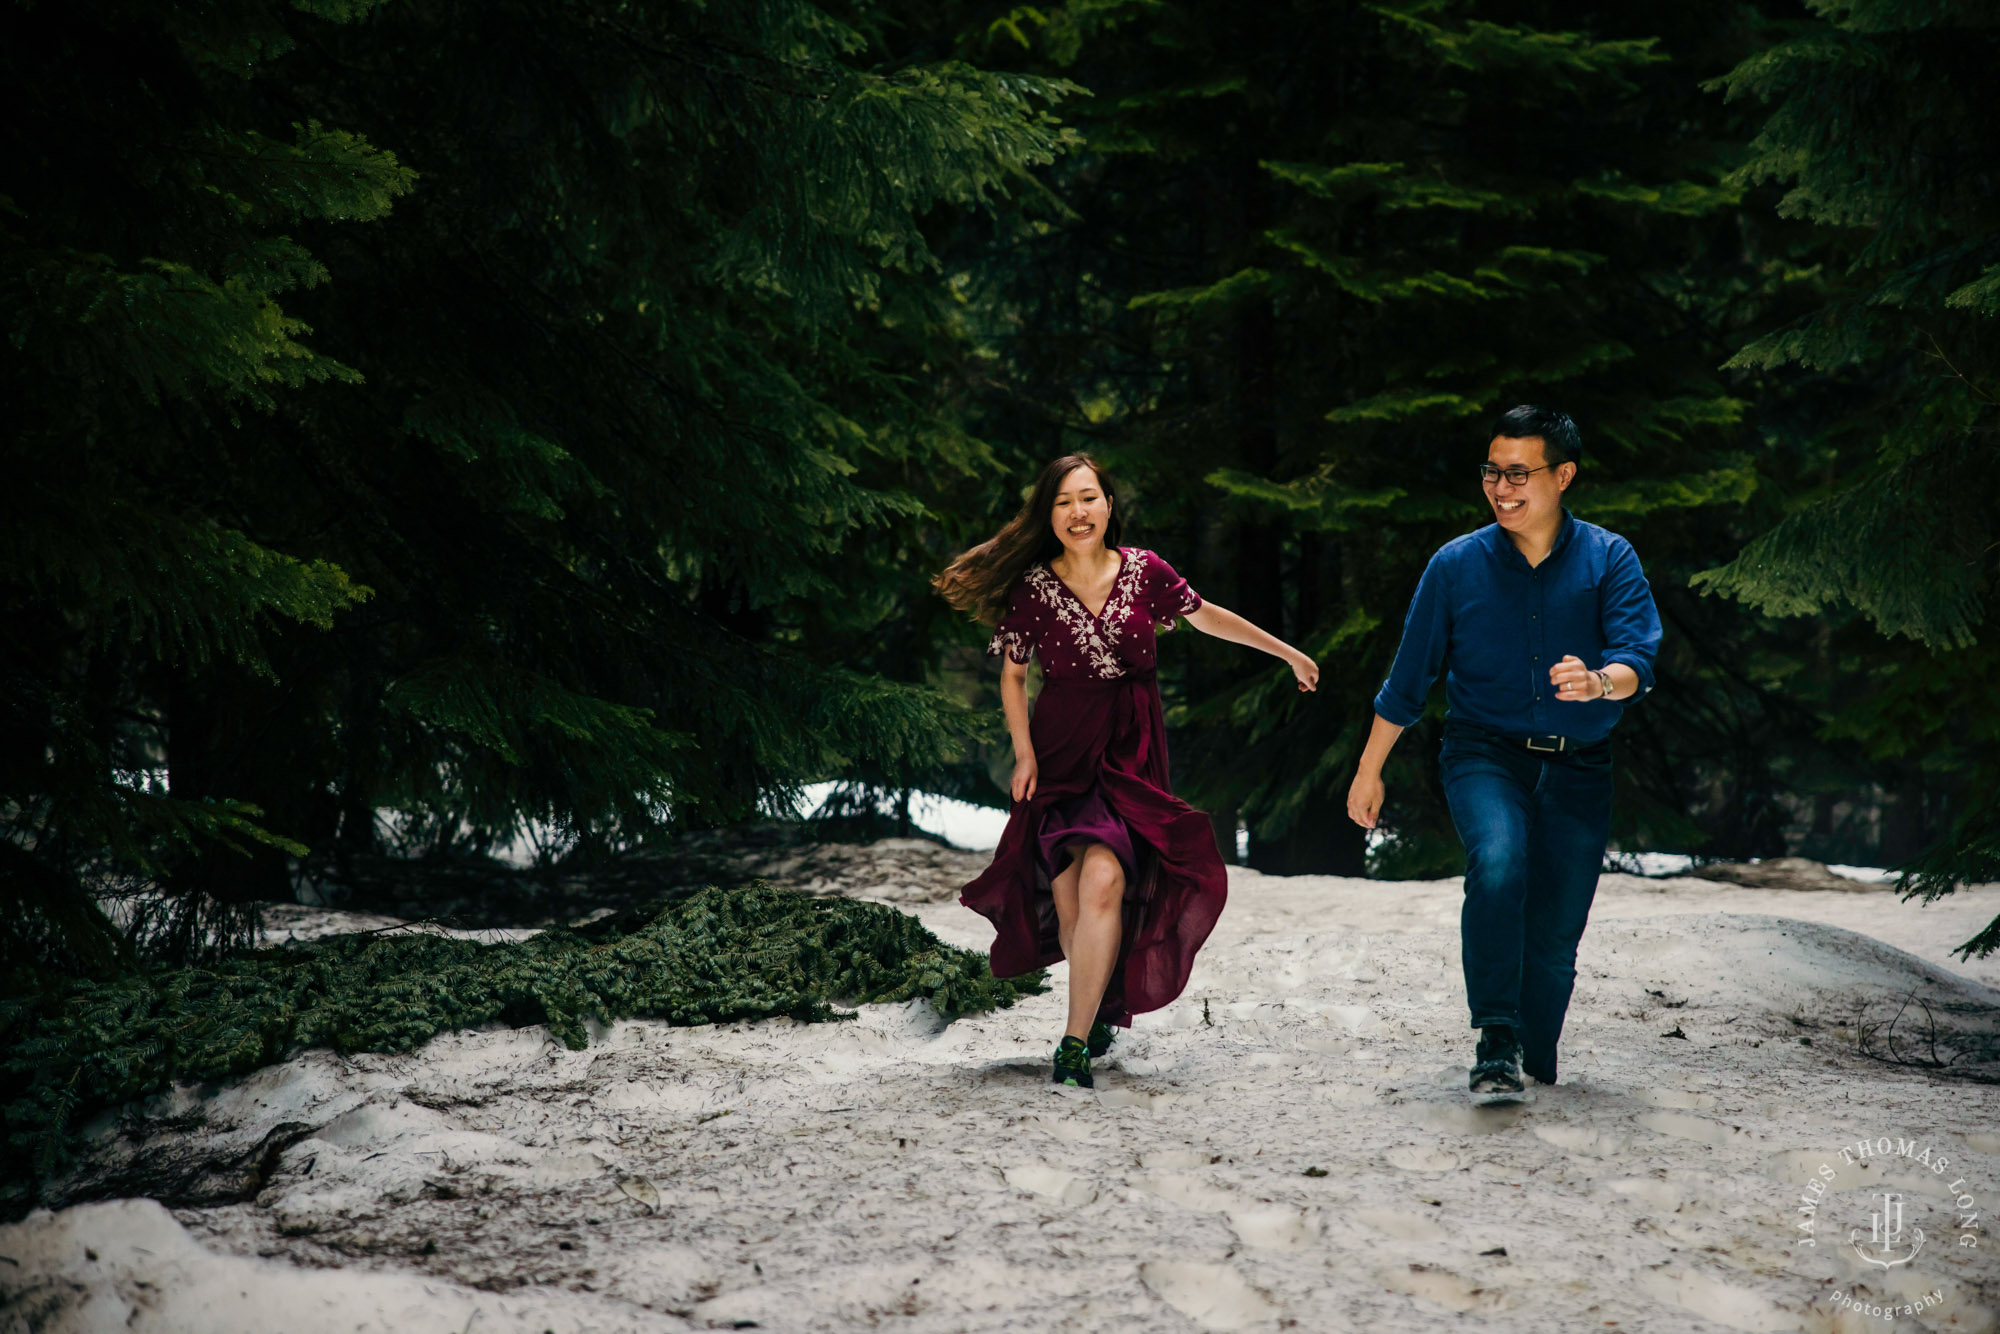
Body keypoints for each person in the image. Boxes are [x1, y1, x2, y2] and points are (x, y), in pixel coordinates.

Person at [936, 454, 1319, 1089]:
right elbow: (1012, 672)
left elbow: (1207, 615)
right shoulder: (1031, 588)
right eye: (1063, 502)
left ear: (1109, 505)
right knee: (1070, 906)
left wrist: (1287, 653)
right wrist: (1025, 753)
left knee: (1106, 881)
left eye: (1088, 498)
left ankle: (1073, 1044)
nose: (1077, 512)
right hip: (1061, 754)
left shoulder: (1145, 571)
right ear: (1048, 515)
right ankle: (1100, 1006)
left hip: (1131, 751)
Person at [1345, 406, 1661, 1105]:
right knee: (1498, 862)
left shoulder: (1611, 558)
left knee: (1553, 939)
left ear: (1564, 475)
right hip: (1483, 753)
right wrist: (1369, 770)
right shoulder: (1455, 566)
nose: (1501, 487)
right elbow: (1407, 681)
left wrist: (1600, 681)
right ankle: (1493, 1040)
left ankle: (1529, 1047)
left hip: (1581, 766)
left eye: (1519, 473)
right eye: (1492, 472)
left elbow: (1638, 657)